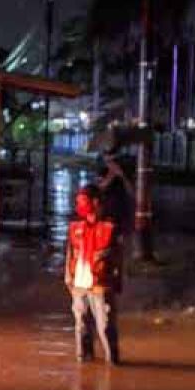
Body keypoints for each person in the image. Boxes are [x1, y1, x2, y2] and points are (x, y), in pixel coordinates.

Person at [65, 185, 122, 364]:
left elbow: (118, 257)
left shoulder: (110, 228)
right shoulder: (75, 227)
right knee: (81, 327)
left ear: (95, 202)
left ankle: (113, 363)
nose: (79, 206)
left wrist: (118, 280)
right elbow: (70, 252)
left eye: (82, 201)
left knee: (104, 327)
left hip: (100, 284)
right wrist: (67, 276)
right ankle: (84, 362)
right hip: (79, 285)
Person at [98, 150, 135, 242]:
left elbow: (131, 191)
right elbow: (99, 188)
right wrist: (112, 174)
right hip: (107, 212)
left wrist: (122, 175)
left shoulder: (124, 171)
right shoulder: (103, 171)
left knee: (120, 240)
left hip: (122, 212)